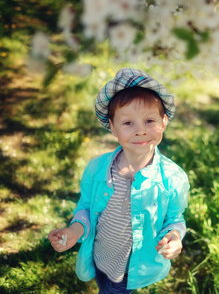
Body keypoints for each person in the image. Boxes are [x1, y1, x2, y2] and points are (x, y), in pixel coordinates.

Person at [47, 68, 190, 293]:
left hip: (129, 269)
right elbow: (86, 208)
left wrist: (173, 236)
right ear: (112, 127)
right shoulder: (97, 170)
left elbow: (175, 218)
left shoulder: (173, 179)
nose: (141, 131)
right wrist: (74, 231)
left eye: (149, 120)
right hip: (101, 257)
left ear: (164, 121)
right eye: (128, 123)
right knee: (103, 283)